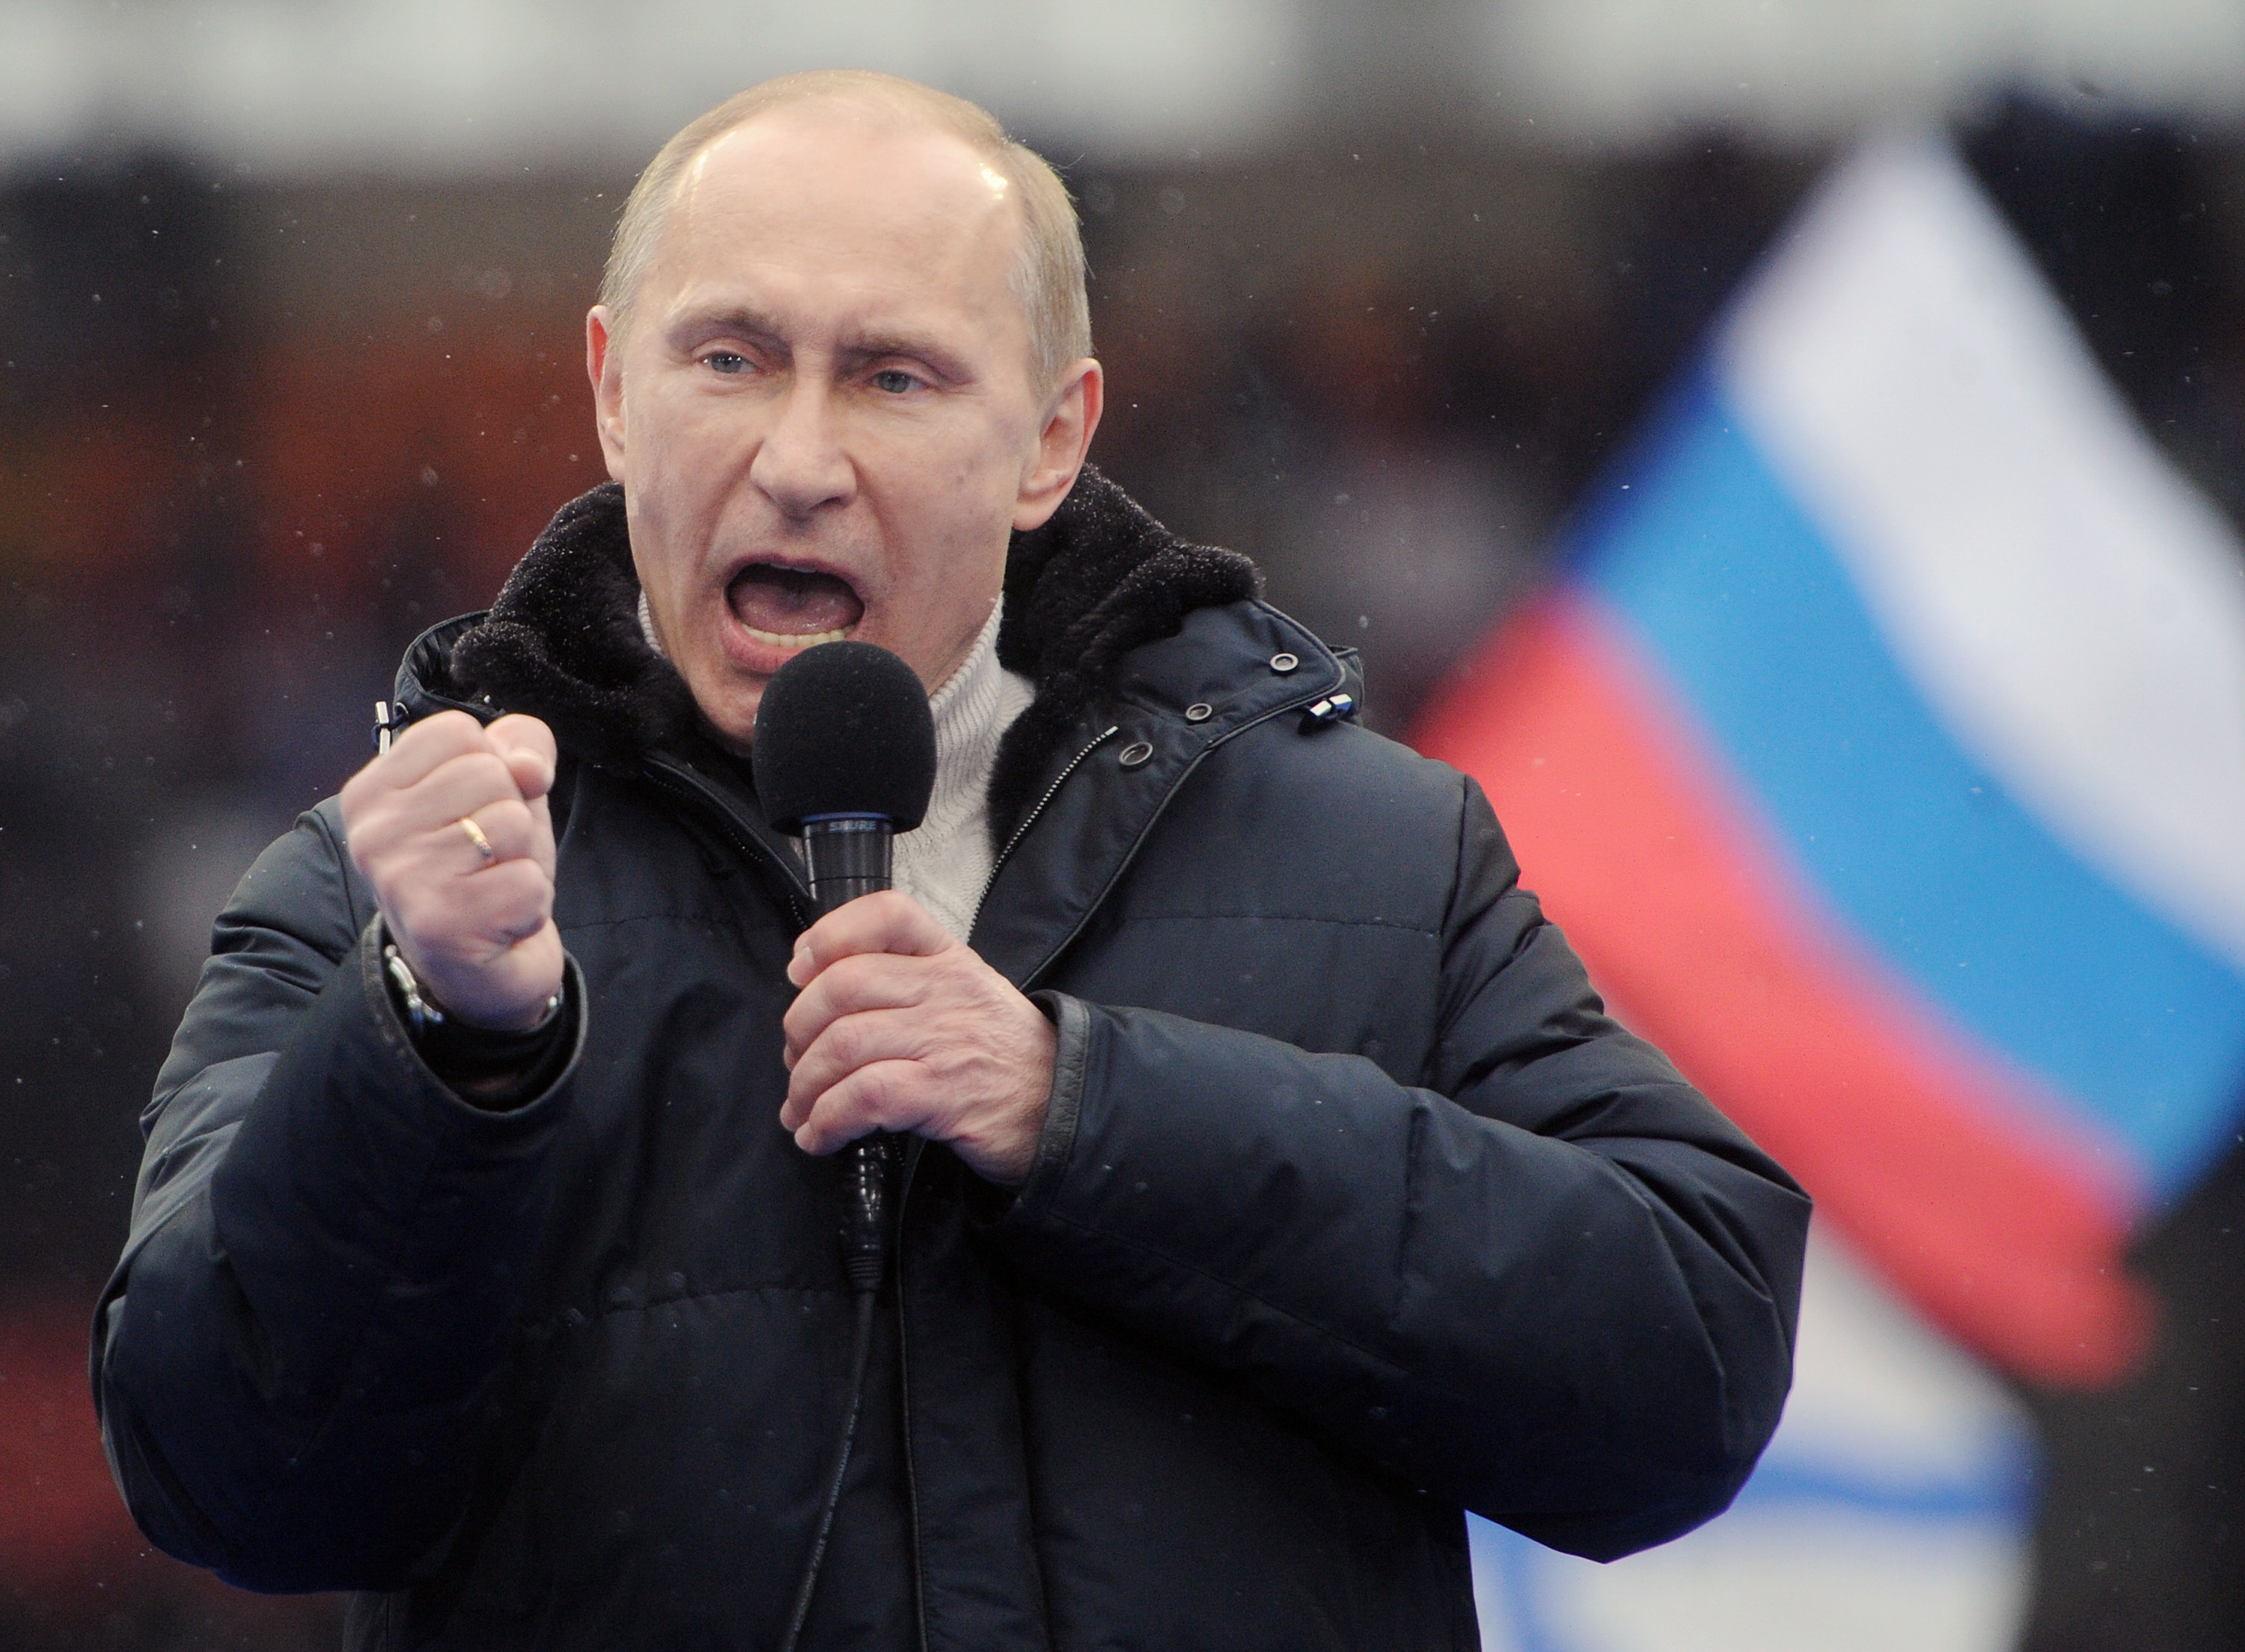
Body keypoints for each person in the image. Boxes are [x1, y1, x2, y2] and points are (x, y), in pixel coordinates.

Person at [92, 70, 1809, 1651]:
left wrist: (1086, 1106)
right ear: (613, 392)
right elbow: (222, 1482)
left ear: (1053, 438)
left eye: (893, 377)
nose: (797, 461)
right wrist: (437, 1046)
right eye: (729, 360)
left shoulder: (1379, 851)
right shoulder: (383, 892)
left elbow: (1688, 1365)